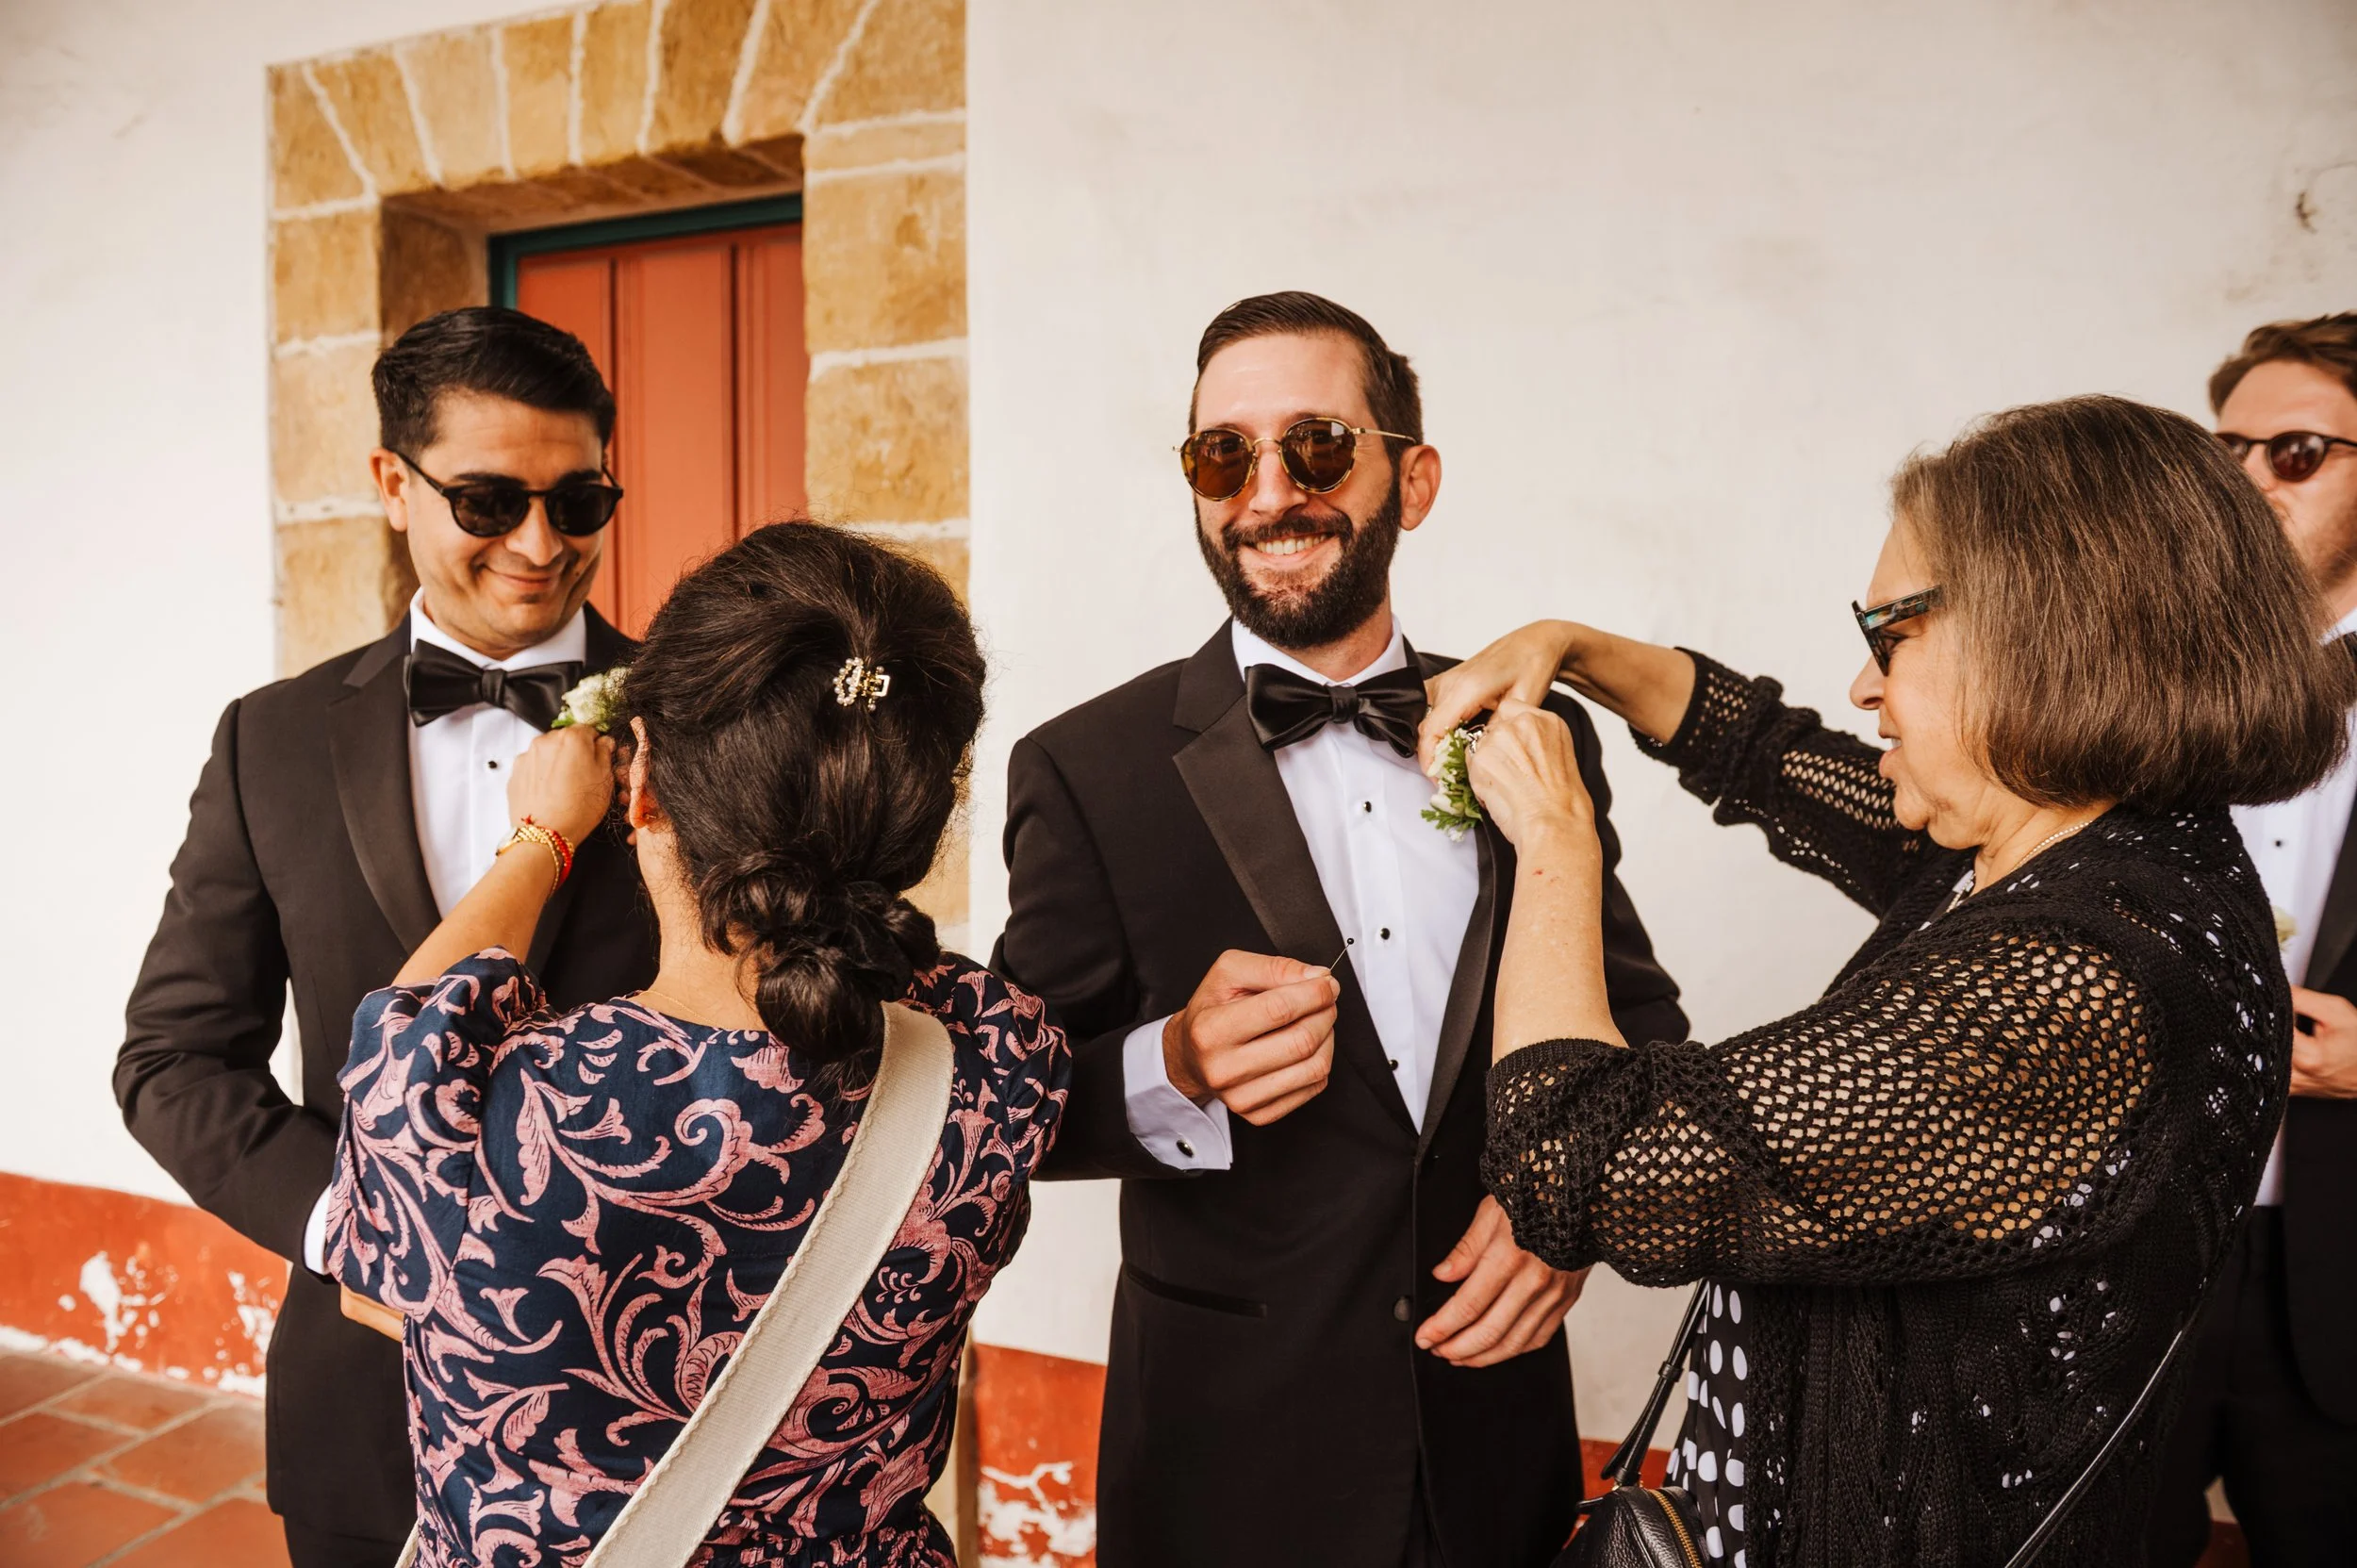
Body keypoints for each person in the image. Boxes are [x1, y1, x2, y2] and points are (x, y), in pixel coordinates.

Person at [1430, 395, 2354, 1568]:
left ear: (2041, 633)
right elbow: (1766, 755)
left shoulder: (2073, 979)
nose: (1864, 686)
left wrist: (1554, 837)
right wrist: (1574, 645)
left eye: (1890, 634)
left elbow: (1581, 1161)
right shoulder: (2079, 850)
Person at [994, 291, 1687, 1568]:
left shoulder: (1535, 733)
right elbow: (1010, 1101)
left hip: (1496, 1438)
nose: (1269, 493)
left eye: (1316, 445)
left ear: (1411, 480)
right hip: (1227, 1465)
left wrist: (1569, 1210)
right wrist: (1172, 1065)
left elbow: (1635, 1021)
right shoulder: (1086, 767)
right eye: (1223, 455)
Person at [325, 522, 1062, 1565]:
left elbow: (407, 1020)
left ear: (641, 788)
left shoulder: (485, 1104)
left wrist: (540, 839)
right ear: (915, 812)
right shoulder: (999, 1061)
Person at [114, 306, 657, 1568]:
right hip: (369, 1411)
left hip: (650, 1397)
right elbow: (173, 1060)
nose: (541, 544)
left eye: (579, 501)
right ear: (391, 483)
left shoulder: (711, 720)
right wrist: (358, 1226)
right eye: (488, 501)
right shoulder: (269, 741)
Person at [2146, 313, 2357, 1567]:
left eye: (2294, 453)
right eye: (2222, 452)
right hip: (2139, 1244)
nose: (2245, 484)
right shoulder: (2138, 679)